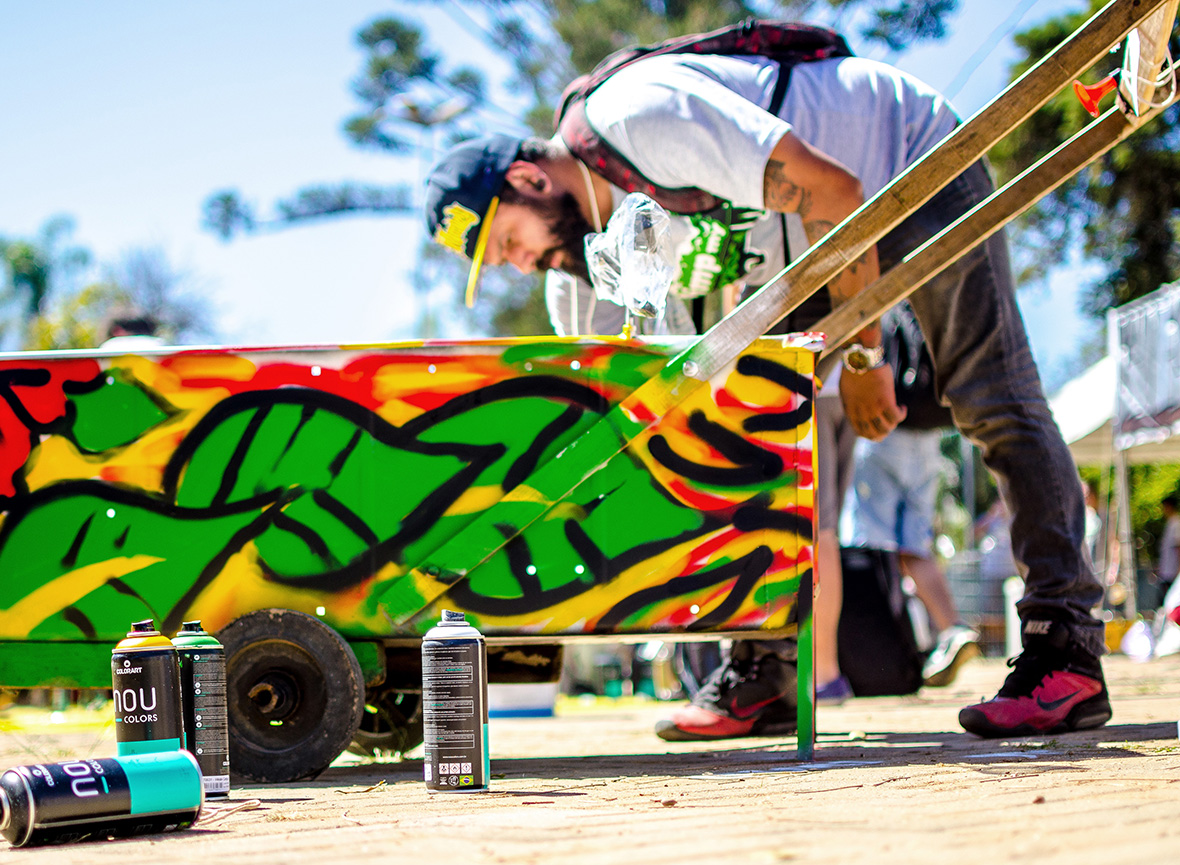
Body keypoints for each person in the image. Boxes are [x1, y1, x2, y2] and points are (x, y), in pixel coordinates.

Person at [423, 43, 1109, 740]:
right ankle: (770, 662)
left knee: (989, 392)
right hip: (812, 244)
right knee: (740, 418)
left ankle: (1067, 652)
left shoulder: (642, 115)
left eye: (506, 240)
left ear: (526, 177)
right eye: (500, 260)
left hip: (904, 160)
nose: (519, 263)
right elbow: (625, 408)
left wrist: (867, 356)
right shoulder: (581, 269)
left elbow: (836, 192)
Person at [841, 303, 981, 688]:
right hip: (928, 434)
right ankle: (950, 628)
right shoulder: (921, 300)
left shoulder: (878, 298)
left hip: (880, 425)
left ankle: (881, 655)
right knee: (914, 544)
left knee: (869, 542)